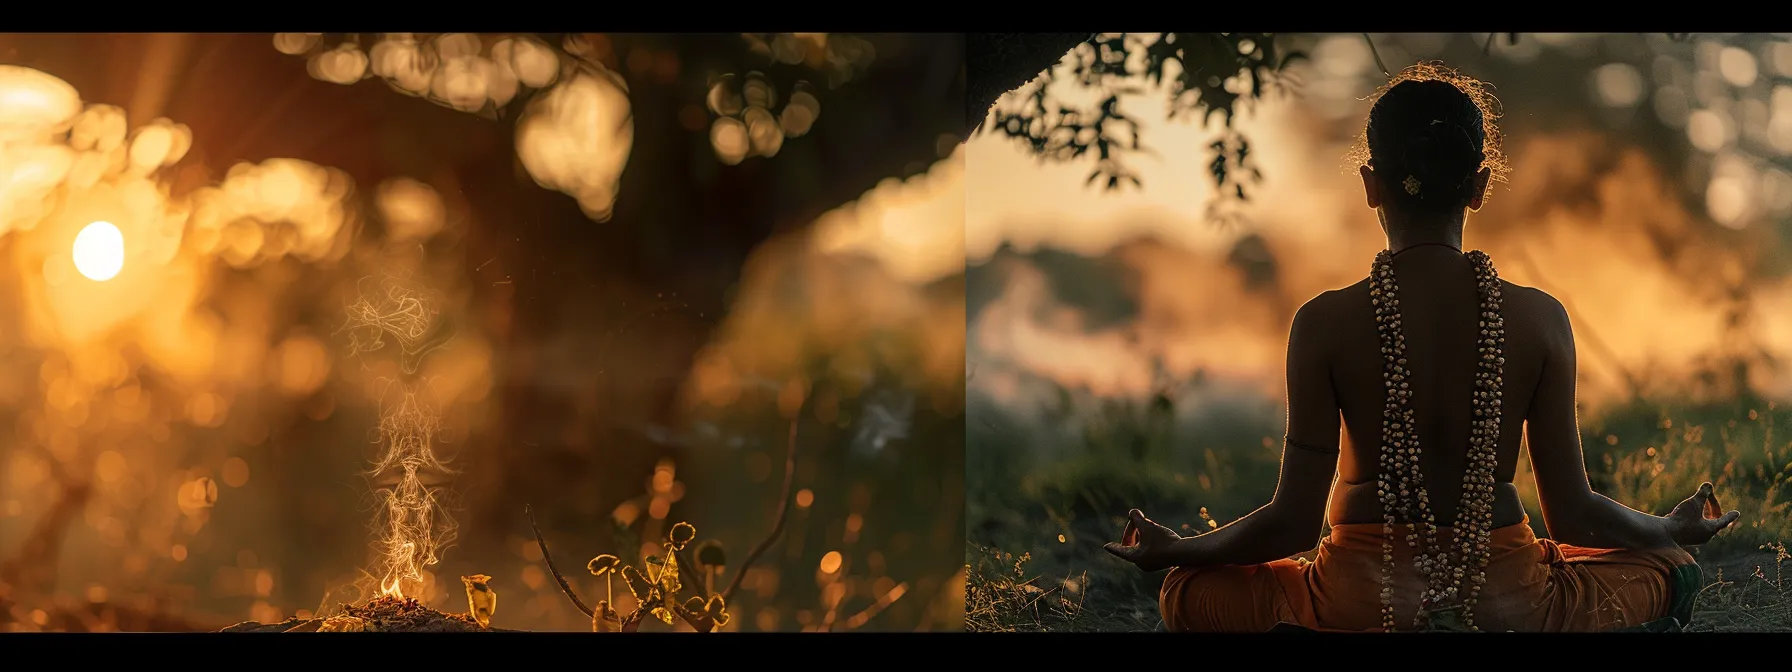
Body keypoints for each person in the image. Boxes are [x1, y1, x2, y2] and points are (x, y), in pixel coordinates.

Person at [1102, 62, 1743, 633]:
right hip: (1507, 601)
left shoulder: (1324, 321)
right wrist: (1669, 530)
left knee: (1186, 593)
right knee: (1669, 568)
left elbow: (1292, 525)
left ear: (1371, 185)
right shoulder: (1538, 318)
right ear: (1479, 186)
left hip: (1359, 601)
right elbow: (1574, 517)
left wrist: (1179, 550)